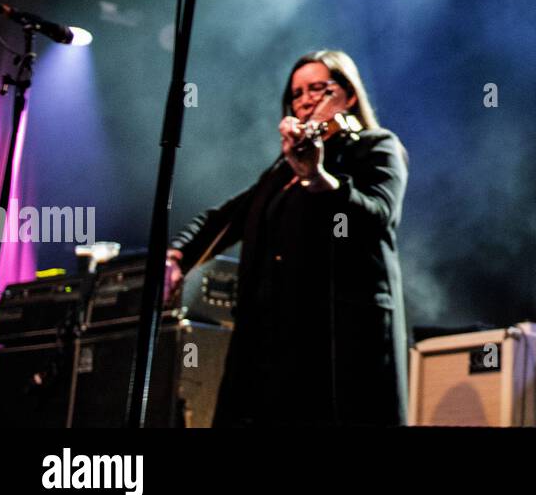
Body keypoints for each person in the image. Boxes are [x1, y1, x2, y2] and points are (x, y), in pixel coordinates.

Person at [164, 50, 409, 426]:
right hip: (271, 341)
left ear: (349, 95)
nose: (306, 100)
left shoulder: (374, 146)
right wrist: (178, 257)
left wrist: (318, 178)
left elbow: (378, 215)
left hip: (340, 340)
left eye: (318, 89)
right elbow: (225, 218)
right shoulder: (282, 171)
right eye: (296, 93)